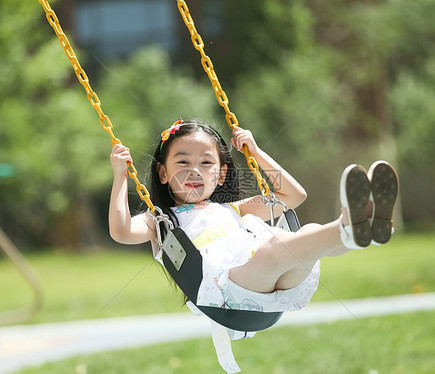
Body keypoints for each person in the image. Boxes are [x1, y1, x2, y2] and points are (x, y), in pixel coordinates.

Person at [108, 118, 398, 370]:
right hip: (227, 292)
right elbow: (121, 231)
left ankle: (359, 230)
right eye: (183, 162)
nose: (194, 170)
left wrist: (256, 153)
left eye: (206, 162)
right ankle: (347, 226)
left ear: (221, 175)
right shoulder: (161, 222)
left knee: (302, 235)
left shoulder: (235, 209)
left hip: (277, 287)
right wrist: (121, 176)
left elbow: (292, 196)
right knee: (275, 249)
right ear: (162, 173)